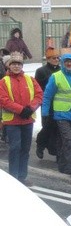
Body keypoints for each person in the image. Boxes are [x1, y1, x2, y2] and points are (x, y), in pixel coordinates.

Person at [0, 53, 43, 186]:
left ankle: (22, 177)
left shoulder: (30, 79)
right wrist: (21, 110)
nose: (16, 66)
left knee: (25, 149)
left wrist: (31, 108)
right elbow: (3, 100)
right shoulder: (3, 82)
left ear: (22, 66)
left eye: (19, 64)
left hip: (27, 121)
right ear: (9, 66)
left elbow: (39, 94)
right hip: (12, 121)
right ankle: (14, 179)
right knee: (15, 148)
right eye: (14, 64)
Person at [34, 47, 61, 159]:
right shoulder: (41, 71)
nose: (56, 60)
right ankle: (40, 144)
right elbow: (38, 88)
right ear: (48, 59)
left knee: (59, 127)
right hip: (47, 103)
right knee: (48, 126)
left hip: (60, 103)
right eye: (53, 58)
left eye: (57, 58)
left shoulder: (61, 70)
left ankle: (55, 150)